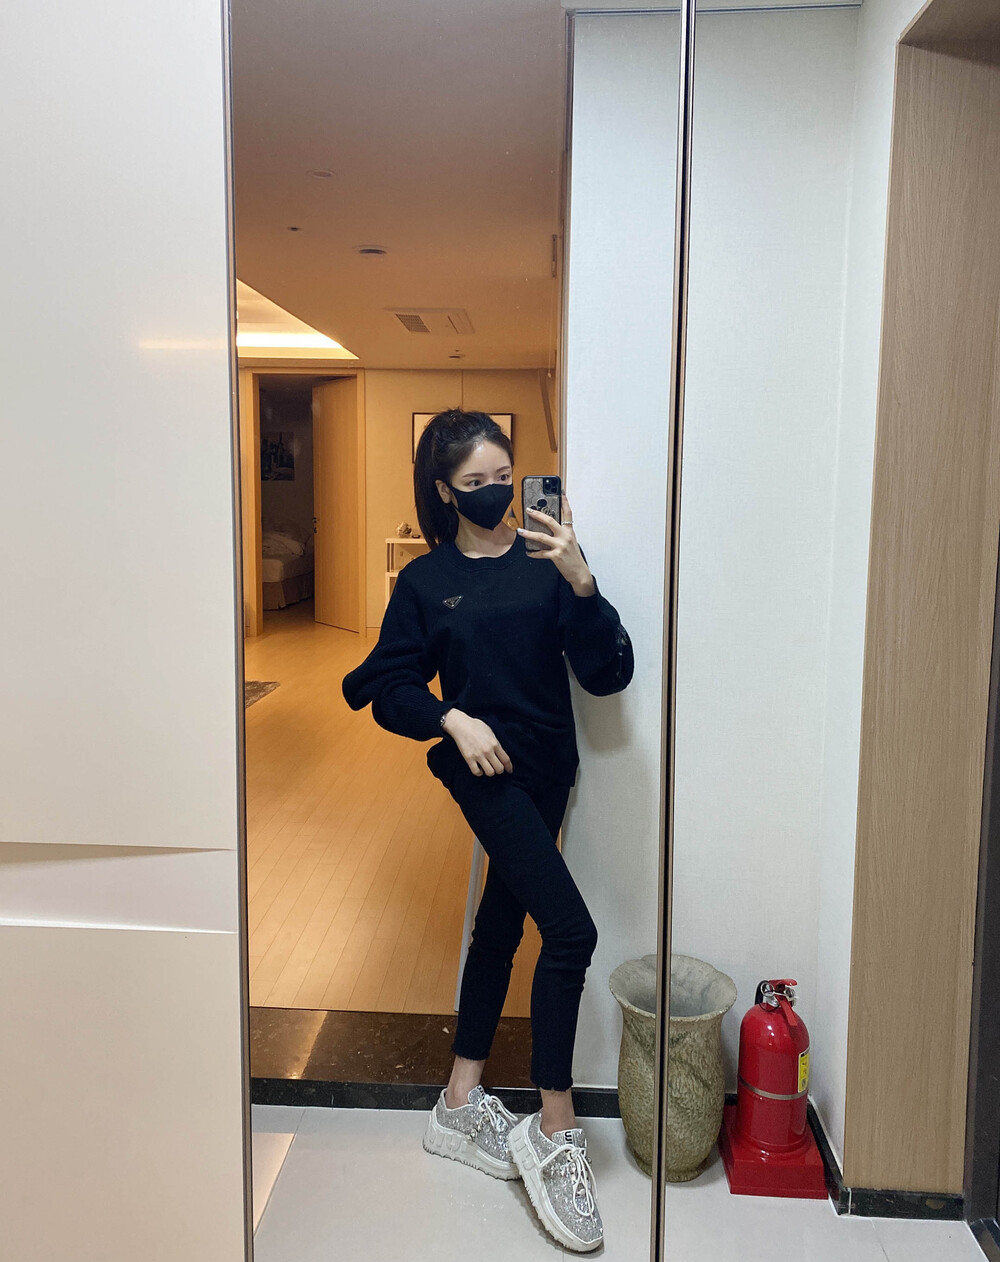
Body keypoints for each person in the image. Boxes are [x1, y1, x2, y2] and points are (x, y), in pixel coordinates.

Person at [341, 409, 634, 1253]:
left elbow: (607, 674)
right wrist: (450, 718)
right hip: (485, 773)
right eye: (474, 483)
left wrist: (581, 580)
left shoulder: (547, 560)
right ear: (445, 491)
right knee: (571, 933)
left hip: (550, 770)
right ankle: (555, 1125)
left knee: (501, 926)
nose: (494, 493)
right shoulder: (426, 582)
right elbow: (384, 686)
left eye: (503, 476)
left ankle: (460, 1100)